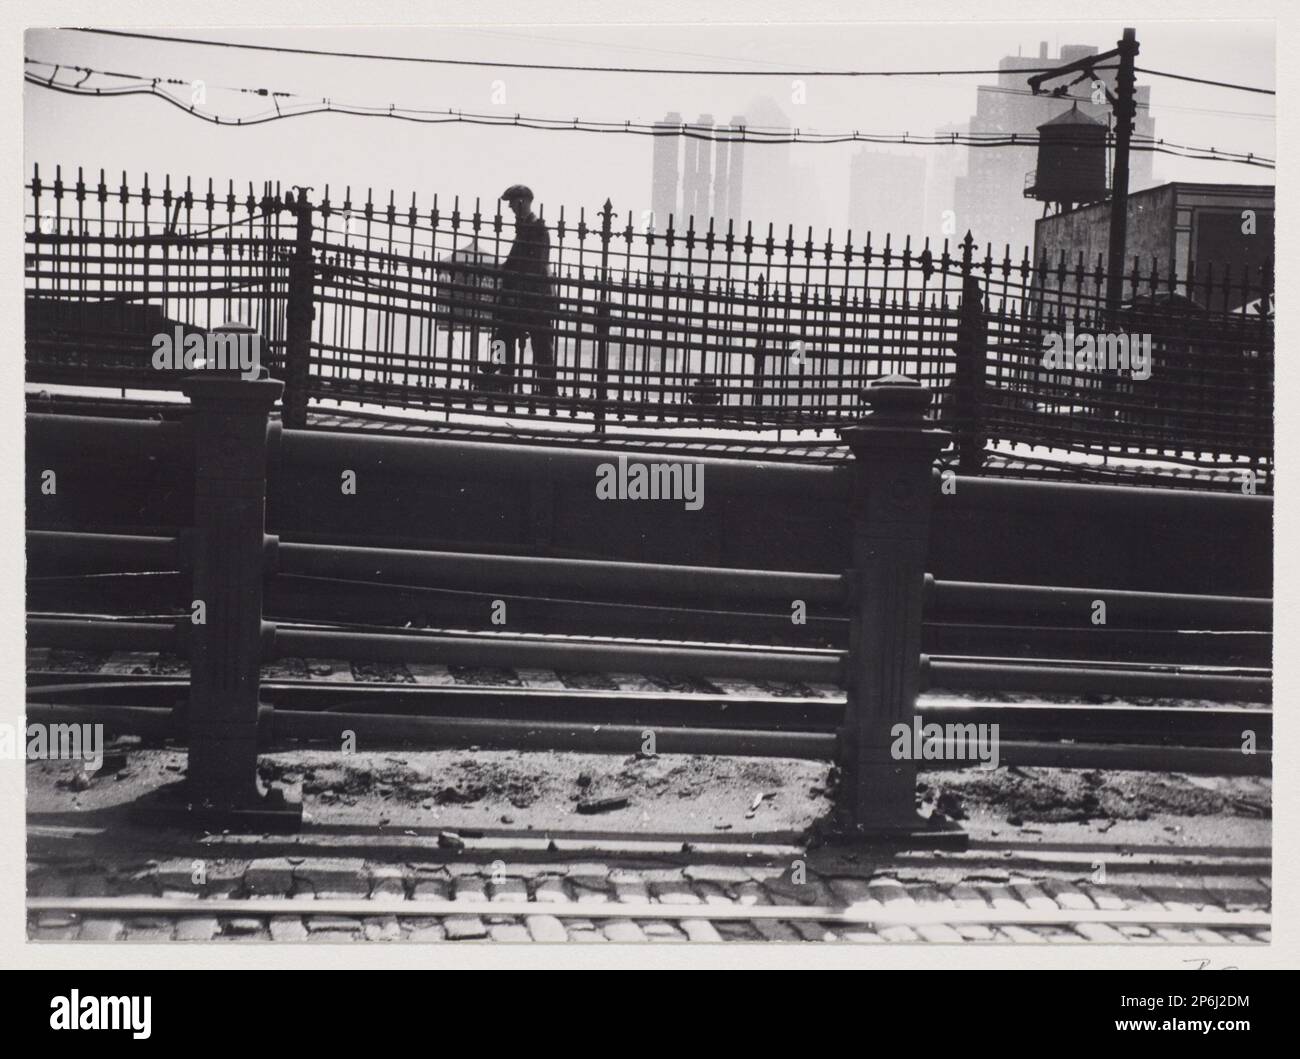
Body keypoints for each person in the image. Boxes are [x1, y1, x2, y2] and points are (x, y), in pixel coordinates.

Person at [486, 184, 557, 398]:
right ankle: (511, 381)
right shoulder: (530, 229)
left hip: (531, 299)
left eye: (511, 202)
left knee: (535, 343)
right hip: (528, 298)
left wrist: (508, 278)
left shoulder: (537, 230)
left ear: (522, 201)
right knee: (511, 338)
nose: (509, 207)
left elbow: (533, 265)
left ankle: (509, 382)